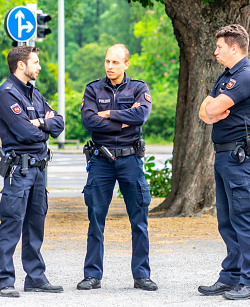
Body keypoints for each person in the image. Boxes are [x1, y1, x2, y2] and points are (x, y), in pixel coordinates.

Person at [77, 44, 156, 291]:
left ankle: (142, 275)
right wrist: (122, 119)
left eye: (115, 62)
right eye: (107, 61)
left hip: (130, 159)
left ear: (126, 64)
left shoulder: (138, 88)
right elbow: (89, 121)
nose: (110, 66)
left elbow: (141, 116)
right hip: (101, 160)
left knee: (139, 219)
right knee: (95, 219)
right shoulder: (93, 89)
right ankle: (92, 275)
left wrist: (108, 114)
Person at [198, 24, 250, 300]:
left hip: (240, 157)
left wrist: (213, 107)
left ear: (234, 48)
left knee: (244, 218)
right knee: (226, 220)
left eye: (220, 47)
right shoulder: (227, 76)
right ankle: (231, 277)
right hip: (224, 155)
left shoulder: (246, 76)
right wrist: (211, 108)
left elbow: (211, 108)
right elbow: (204, 113)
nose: (215, 52)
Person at [0, 45, 64, 297]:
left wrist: (42, 122)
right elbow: (25, 133)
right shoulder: (6, 94)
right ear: (21, 65)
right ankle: (4, 281)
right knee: (12, 223)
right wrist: (42, 128)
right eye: (35, 62)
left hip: (39, 169)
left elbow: (60, 123)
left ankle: (35, 277)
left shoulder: (34, 94)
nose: (39, 66)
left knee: (36, 224)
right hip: (19, 170)